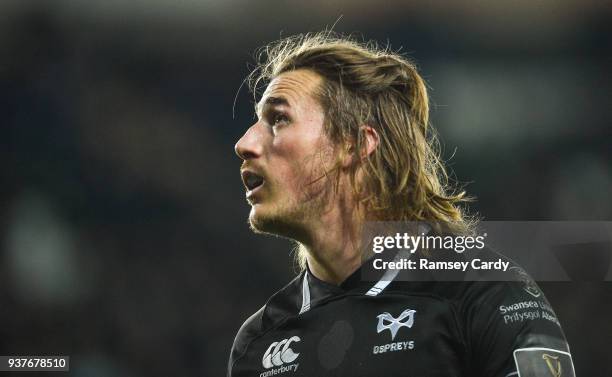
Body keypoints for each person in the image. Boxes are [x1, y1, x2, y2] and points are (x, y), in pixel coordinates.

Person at [229, 32, 574, 377]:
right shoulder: (259, 343)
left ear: (354, 145)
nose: (245, 143)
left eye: (279, 119)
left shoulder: (485, 292)